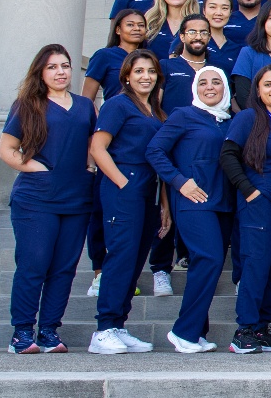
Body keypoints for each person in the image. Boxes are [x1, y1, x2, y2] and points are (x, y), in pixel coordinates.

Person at [0, 45, 95, 354]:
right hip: (36, 198)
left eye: (65, 65)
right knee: (34, 265)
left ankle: (49, 331)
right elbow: (7, 148)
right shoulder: (27, 105)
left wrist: (91, 167)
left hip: (77, 198)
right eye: (52, 67)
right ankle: (22, 333)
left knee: (64, 268)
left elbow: (95, 145)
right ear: (41, 72)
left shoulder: (85, 106)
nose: (61, 72)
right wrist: (33, 167)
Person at [146, 65, 233, 353]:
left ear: (225, 89)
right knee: (208, 258)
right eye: (203, 82)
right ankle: (183, 331)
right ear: (194, 88)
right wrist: (179, 182)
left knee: (209, 264)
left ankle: (196, 331)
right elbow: (154, 150)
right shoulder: (184, 115)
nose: (209, 87)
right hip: (194, 202)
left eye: (216, 82)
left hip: (222, 203)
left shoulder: (227, 121)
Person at [217, 66, 271, 353]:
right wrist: (248, 190)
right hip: (259, 202)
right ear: (258, 89)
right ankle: (245, 330)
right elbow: (228, 155)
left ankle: (262, 328)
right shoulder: (248, 118)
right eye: (268, 84)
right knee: (256, 265)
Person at [86, 50, 165, 355]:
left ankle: (118, 324)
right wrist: (123, 182)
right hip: (125, 185)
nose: (146, 76)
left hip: (149, 189)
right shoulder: (118, 104)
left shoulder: (154, 110)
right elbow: (97, 147)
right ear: (127, 76)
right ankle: (103, 329)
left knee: (135, 260)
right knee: (120, 257)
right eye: (139, 71)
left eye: (151, 71)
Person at [85, 10, 148, 103]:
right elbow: (87, 99)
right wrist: (101, 117)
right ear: (118, 30)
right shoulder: (104, 56)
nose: (137, 28)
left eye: (141, 25)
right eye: (130, 25)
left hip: (143, 116)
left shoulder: (149, 58)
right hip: (114, 114)